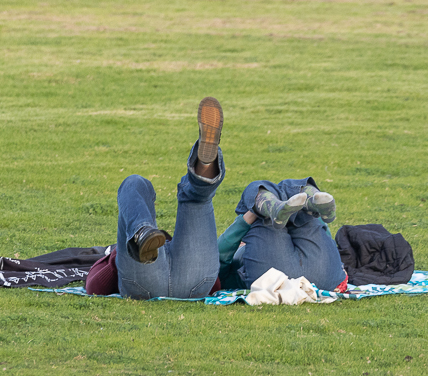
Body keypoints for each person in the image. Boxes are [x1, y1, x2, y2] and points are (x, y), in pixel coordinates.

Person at [101, 97, 226, 299]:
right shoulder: (184, 244)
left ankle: (141, 231)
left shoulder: (115, 251)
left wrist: (115, 256)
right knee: (197, 200)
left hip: (143, 284)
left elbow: (95, 285)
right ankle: (204, 170)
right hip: (196, 283)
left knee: (135, 182)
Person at [217, 178, 347, 292]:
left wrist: (248, 219)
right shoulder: (239, 254)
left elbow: (219, 256)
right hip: (325, 276)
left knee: (267, 201)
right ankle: (310, 199)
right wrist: (251, 214)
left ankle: (274, 206)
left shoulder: (241, 252)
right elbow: (325, 237)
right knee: (270, 199)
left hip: (276, 280)